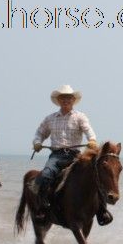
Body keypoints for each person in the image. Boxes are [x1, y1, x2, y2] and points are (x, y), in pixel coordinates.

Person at [30, 84, 112, 225]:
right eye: (63, 98)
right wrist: (37, 142)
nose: (66, 100)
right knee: (45, 175)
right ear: (59, 100)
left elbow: (88, 130)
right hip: (56, 156)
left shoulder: (80, 117)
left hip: (76, 156)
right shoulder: (50, 118)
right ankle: (43, 208)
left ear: (73, 100)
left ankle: (101, 210)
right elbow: (40, 133)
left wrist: (92, 140)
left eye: (69, 98)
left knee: (95, 175)